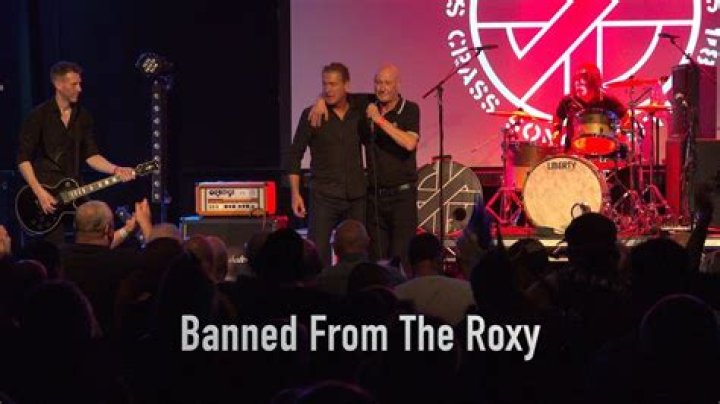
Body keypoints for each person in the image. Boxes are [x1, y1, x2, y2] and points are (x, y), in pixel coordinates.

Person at [17, 61, 135, 244]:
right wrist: (39, 192)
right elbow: (23, 159)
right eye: (74, 84)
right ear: (58, 85)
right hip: (46, 197)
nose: (80, 89)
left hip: (75, 191)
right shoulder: (38, 116)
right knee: (55, 247)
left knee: (93, 233)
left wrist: (115, 169)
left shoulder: (83, 116)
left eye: (80, 84)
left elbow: (91, 155)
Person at [285, 62, 367, 266]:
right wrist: (295, 193)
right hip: (324, 196)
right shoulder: (313, 114)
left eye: (333, 84)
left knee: (358, 256)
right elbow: (295, 154)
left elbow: (377, 97)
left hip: (355, 196)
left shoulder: (359, 111)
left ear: (346, 85)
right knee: (317, 254)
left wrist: (320, 98)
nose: (328, 89)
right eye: (325, 84)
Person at [364, 64, 420, 265]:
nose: (381, 88)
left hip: (402, 197)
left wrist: (379, 120)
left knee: (400, 258)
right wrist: (320, 101)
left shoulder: (410, 109)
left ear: (398, 85)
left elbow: (409, 143)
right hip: (375, 198)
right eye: (378, 82)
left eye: (387, 83)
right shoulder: (368, 106)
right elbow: (339, 95)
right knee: (377, 258)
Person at [551, 63, 627, 153]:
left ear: (594, 82)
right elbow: (557, 119)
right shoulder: (568, 101)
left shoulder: (607, 100)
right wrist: (556, 133)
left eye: (582, 80)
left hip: (603, 151)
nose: (577, 83)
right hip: (574, 152)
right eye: (576, 80)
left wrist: (621, 134)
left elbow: (626, 118)